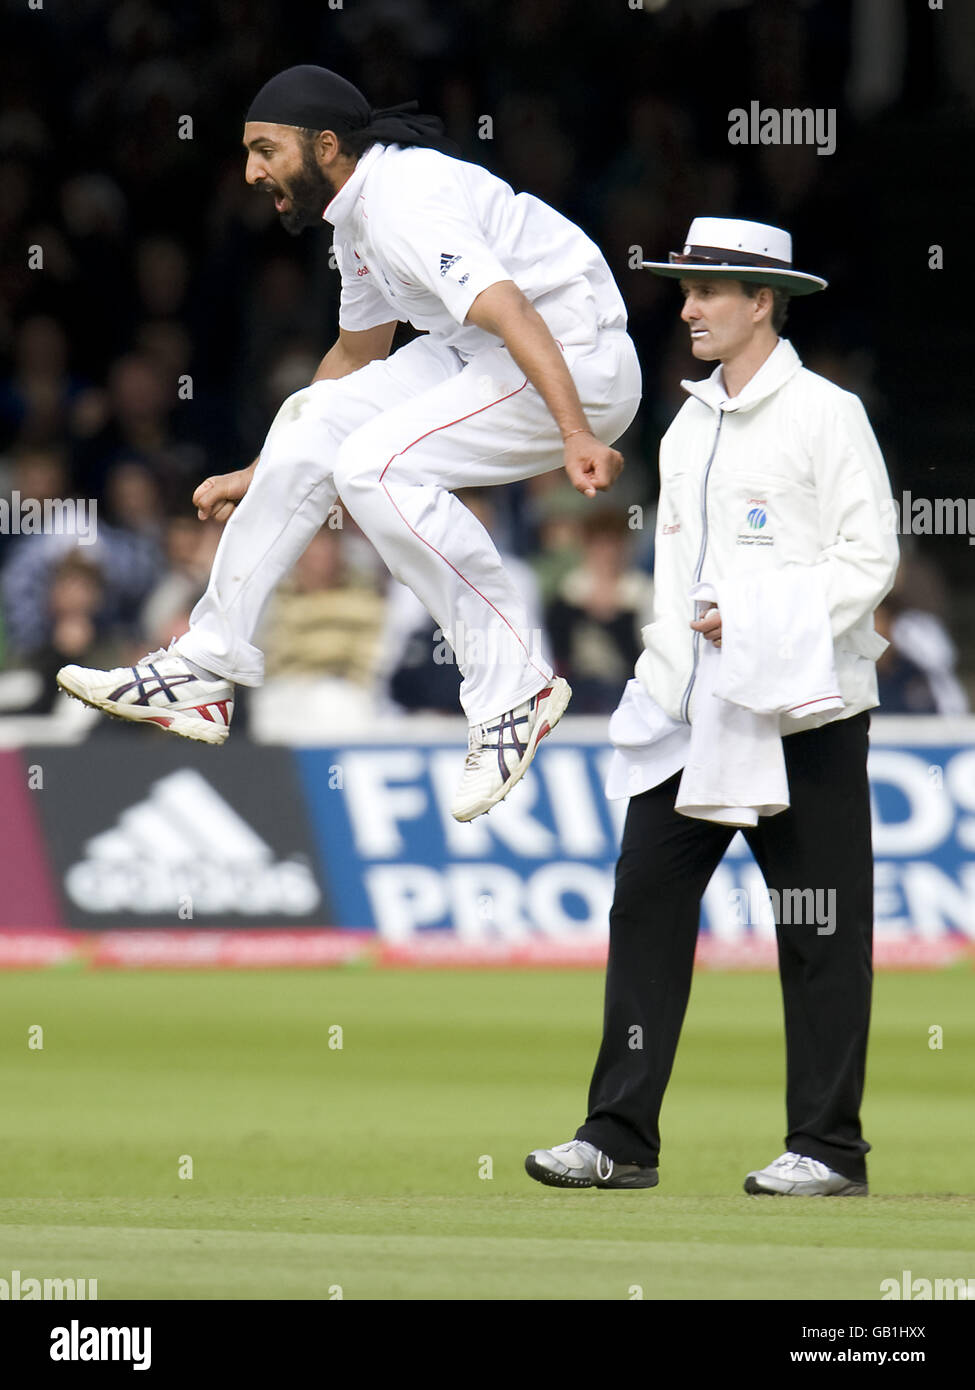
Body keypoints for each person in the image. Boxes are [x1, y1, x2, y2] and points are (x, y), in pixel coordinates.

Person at [56, 65, 642, 822]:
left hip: (571, 359)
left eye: (265, 149)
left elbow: (509, 310)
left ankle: (515, 686)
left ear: (324, 144)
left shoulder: (404, 201)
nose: (249, 171)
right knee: (314, 417)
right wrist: (263, 467)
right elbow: (354, 361)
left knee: (374, 466)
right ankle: (206, 665)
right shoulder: (357, 217)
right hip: (483, 351)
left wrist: (572, 432)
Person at [526, 217, 899, 1196]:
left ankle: (828, 1149)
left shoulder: (827, 413)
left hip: (805, 711)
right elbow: (674, 577)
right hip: (693, 716)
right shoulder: (689, 421)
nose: (686, 307)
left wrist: (762, 619)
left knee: (820, 931)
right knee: (644, 906)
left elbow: (871, 561)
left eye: (708, 291)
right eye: (686, 289)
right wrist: (662, 673)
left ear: (762, 302)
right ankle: (619, 1136)